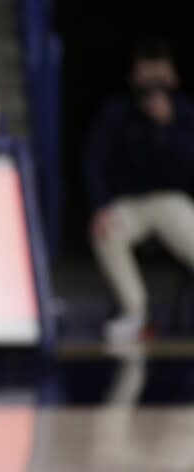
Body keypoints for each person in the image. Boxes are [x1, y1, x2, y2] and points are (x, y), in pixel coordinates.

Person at [85, 40, 194, 344]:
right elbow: (94, 162)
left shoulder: (184, 112)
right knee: (105, 232)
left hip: (173, 201)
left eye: (160, 77)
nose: (154, 86)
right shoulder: (117, 112)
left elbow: (186, 169)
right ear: (134, 78)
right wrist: (99, 206)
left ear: (173, 78)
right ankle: (136, 314)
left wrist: (167, 127)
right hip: (128, 204)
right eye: (147, 78)